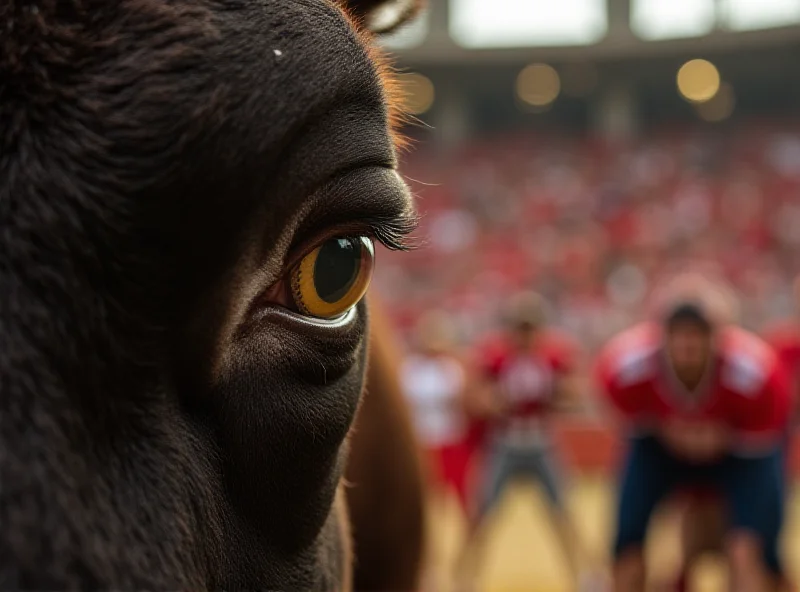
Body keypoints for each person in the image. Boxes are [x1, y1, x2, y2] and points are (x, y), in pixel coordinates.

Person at [596, 285, 793, 592]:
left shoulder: (755, 374)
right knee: (627, 542)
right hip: (660, 447)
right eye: (679, 336)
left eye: (696, 336)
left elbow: (763, 441)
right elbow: (627, 417)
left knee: (749, 550)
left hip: (740, 453)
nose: (687, 346)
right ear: (662, 339)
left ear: (716, 340)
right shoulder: (628, 367)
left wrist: (721, 438)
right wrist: (670, 431)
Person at [455, 292, 596, 591]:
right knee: (481, 513)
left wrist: (554, 393)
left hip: (541, 441)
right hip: (505, 441)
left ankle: (584, 576)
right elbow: (475, 398)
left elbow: (577, 394)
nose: (525, 335)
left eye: (530, 328)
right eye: (520, 328)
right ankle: (463, 578)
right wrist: (497, 400)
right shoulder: (495, 357)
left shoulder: (553, 357)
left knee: (563, 513)